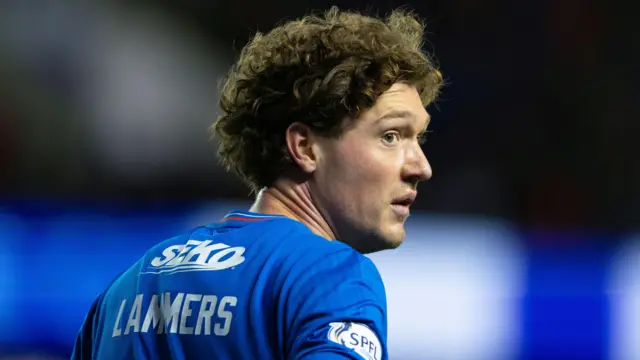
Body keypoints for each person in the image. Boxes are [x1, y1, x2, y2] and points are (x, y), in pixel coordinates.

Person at [71, 6, 442, 360]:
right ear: (305, 147)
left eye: (418, 139)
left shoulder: (126, 288)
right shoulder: (330, 276)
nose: (420, 167)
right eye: (391, 136)